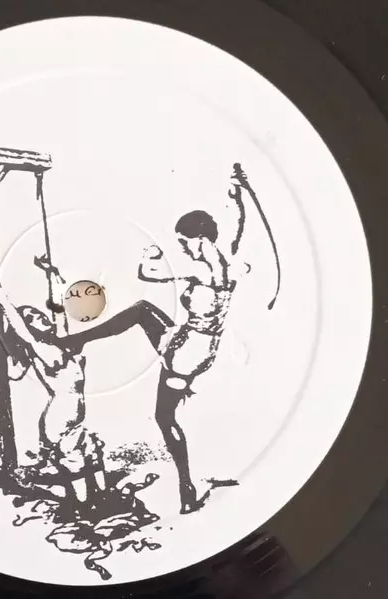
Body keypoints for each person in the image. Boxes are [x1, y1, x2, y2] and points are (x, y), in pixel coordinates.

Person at [63, 171, 255, 514]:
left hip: (186, 351)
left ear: (199, 239)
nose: (182, 247)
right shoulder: (227, 261)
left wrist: (148, 256)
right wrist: (239, 195)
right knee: (145, 320)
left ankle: (187, 490)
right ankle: (186, 492)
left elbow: (147, 276)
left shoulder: (202, 271)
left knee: (164, 414)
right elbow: (239, 227)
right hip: (200, 347)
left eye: (184, 241)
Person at [0, 260, 107, 511]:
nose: (38, 316)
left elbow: (59, 310)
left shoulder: (60, 342)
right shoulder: (41, 348)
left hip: (73, 415)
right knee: (75, 460)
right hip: (60, 417)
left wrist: (52, 274)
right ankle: (84, 508)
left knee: (90, 453)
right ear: (27, 328)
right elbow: (8, 309)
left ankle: (102, 500)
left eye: (37, 313)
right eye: (31, 318)